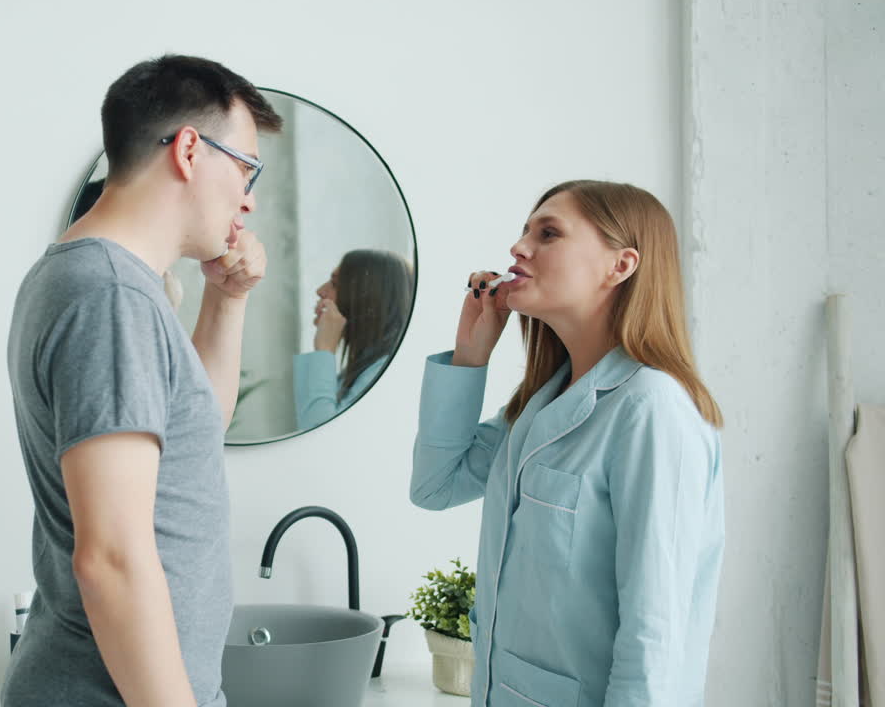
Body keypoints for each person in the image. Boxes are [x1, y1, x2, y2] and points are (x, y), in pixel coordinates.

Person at [2, 55, 282, 707]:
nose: (250, 196)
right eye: (245, 166)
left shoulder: (103, 282)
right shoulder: (107, 295)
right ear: (189, 149)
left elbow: (193, 437)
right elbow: (111, 559)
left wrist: (227, 300)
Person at [411, 180, 725, 706]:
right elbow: (434, 486)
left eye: (548, 232)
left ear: (620, 265)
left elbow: (655, 636)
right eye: (525, 230)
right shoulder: (540, 405)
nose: (517, 247)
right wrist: (470, 358)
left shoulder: (651, 409)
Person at [292, 249, 413, 430]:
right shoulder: (360, 369)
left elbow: (318, 433)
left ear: (367, 298)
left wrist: (325, 349)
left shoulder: (379, 371)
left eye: (334, 283)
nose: (320, 291)